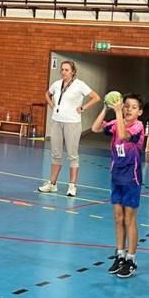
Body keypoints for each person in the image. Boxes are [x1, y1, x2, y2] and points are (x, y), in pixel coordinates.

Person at [91, 93, 145, 279]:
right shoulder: (115, 122)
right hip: (116, 176)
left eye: (133, 107)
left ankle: (131, 259)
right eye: (126, 106)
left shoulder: (138, 126)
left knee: (129, 218)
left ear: (140, 112)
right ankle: (120, 255)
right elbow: (95, 128)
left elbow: (123, 135)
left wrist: (118, 113)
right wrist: (106, 107)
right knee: (117, 217)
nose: (129, 109)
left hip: (131, 178)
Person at [39, 60, 100, 197]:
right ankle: (52, 184)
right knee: (56, 154)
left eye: (67, 70)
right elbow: (47, 94)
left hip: (72, 123)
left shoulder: (80, 85)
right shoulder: (56, 84)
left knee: (72, 155)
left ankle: (72, 186)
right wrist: (52, 105)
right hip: (56, 121)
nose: (63, 72)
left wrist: (83, 107)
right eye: (62, 69)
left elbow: (96, 97)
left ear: (73, 72)